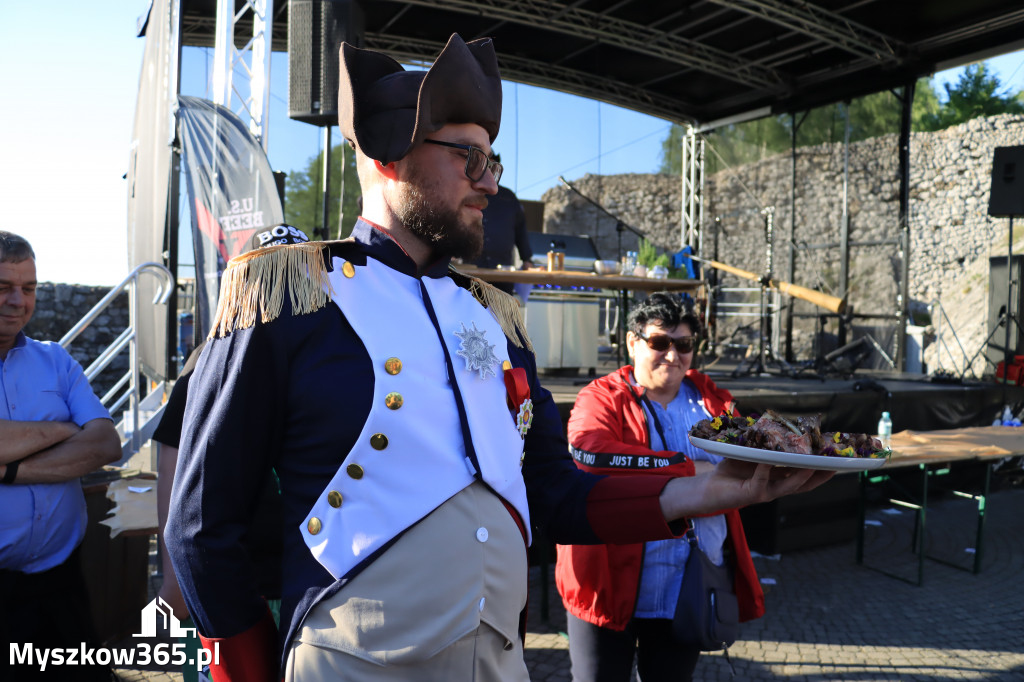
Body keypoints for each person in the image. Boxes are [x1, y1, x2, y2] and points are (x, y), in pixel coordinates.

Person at [164, 34, 832, 682]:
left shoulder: (494, 317)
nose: (489, 185)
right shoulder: (289, 295)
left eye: (494, 163)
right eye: (468, 159)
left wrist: (715, 491)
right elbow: (200, 528)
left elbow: (555, 493)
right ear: (389, 155)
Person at [555, 292, 761, 681]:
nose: (673, 355)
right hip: (608, 581)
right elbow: (591, 455)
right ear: (633, 342)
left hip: (688, 583)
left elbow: (744, 466)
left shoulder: (712, 399)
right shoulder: (601, 396)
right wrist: (688, 470)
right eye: (659, 343)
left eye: (683, 345)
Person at [152, 226, 308, 681]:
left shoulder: (323, 354)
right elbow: (173, 465)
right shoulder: (209, 358)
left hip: (312, 583)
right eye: (269, 277)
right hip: (229, 584)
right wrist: (174, 578)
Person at [0, 231, 121, 680]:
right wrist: (64, 430)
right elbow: (86, 436)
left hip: (60, 581)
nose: (18, 301)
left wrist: (13, 470)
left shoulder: (56, 361)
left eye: (28, 288)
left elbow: (106, 444)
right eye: (3, 287)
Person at [473, 153, 534, 295]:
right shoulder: (468, 191)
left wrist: (527, 259)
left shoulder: (509, 197)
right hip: (469, 273)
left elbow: (521, 230)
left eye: (492, 166)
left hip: (503, 274)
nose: (488, 170)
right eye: (484, 165)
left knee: (500, 315)